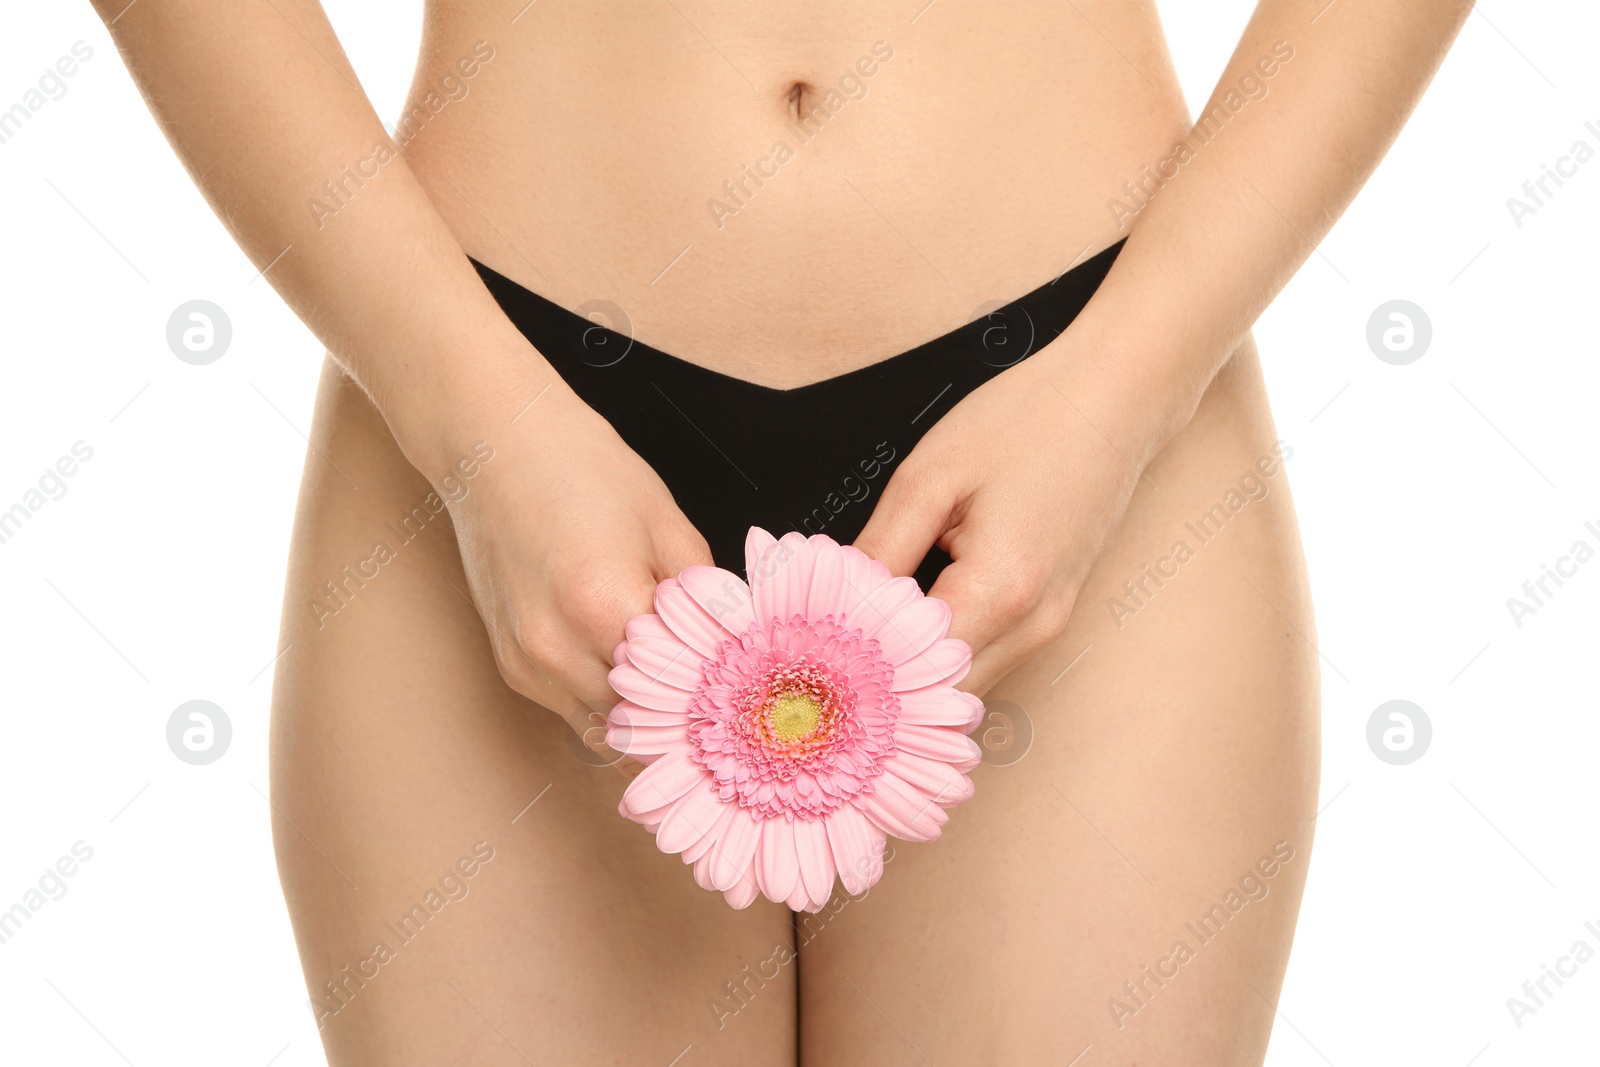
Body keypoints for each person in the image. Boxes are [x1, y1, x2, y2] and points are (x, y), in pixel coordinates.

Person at [94, 0, 1471, 1062]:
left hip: (1091, 392)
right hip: (497, 395)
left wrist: (1125, 383)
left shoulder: (1111, 397)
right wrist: (479, 432)